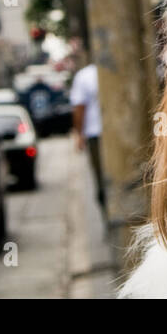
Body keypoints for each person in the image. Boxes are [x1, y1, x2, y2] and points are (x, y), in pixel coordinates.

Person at [70, 55, 106, 217]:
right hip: (96, 134)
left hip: (97, 134)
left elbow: (79, 108)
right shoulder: (85, 75)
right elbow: (80, 108)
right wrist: (80, 134)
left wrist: (79, 135)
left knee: (103, 180)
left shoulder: (84, 75)